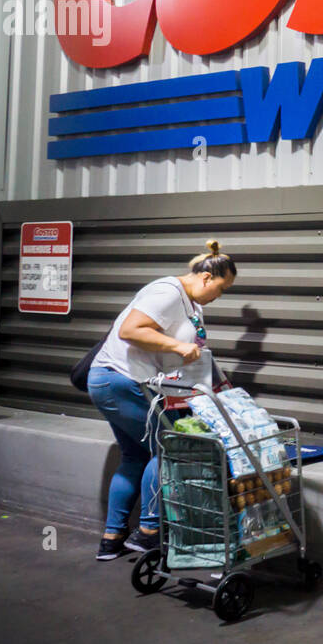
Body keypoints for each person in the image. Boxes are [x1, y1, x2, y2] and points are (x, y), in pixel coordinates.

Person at [88, 240, 236, 561]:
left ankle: (112, 538)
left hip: (118, 382)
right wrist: (177, 346)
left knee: (134, 457)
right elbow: (131, 330)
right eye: (221, 289)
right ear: (206, 278)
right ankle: (149, 532)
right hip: (119, 380)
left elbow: (183, 354)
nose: (219, 297)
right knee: (169, 447)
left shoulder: (192, 306)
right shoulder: (168, 291)